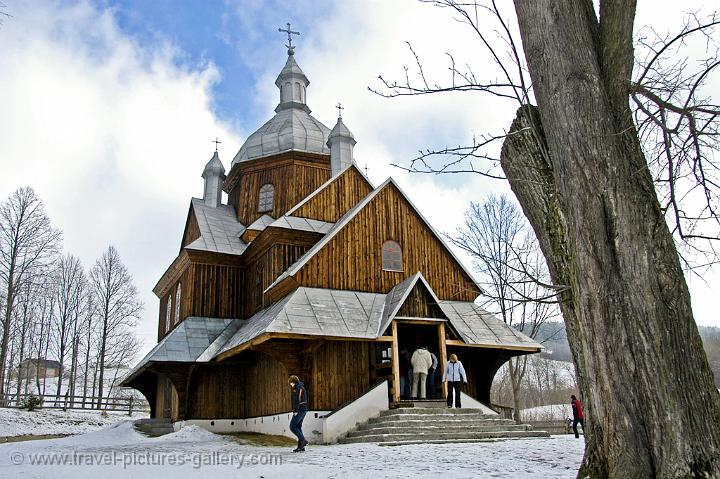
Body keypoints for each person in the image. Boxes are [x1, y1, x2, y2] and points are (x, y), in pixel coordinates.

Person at [289, 375, 308, 452]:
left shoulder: (298, 388)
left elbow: (297, 399)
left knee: (292, 426)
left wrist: (295, 410)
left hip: (300, 409)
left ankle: (303, 441)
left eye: (290, 383)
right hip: (304, 409)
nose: (290, 384)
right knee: (298, 427)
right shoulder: (299, 387)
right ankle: (301, 447)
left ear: (293, 382)